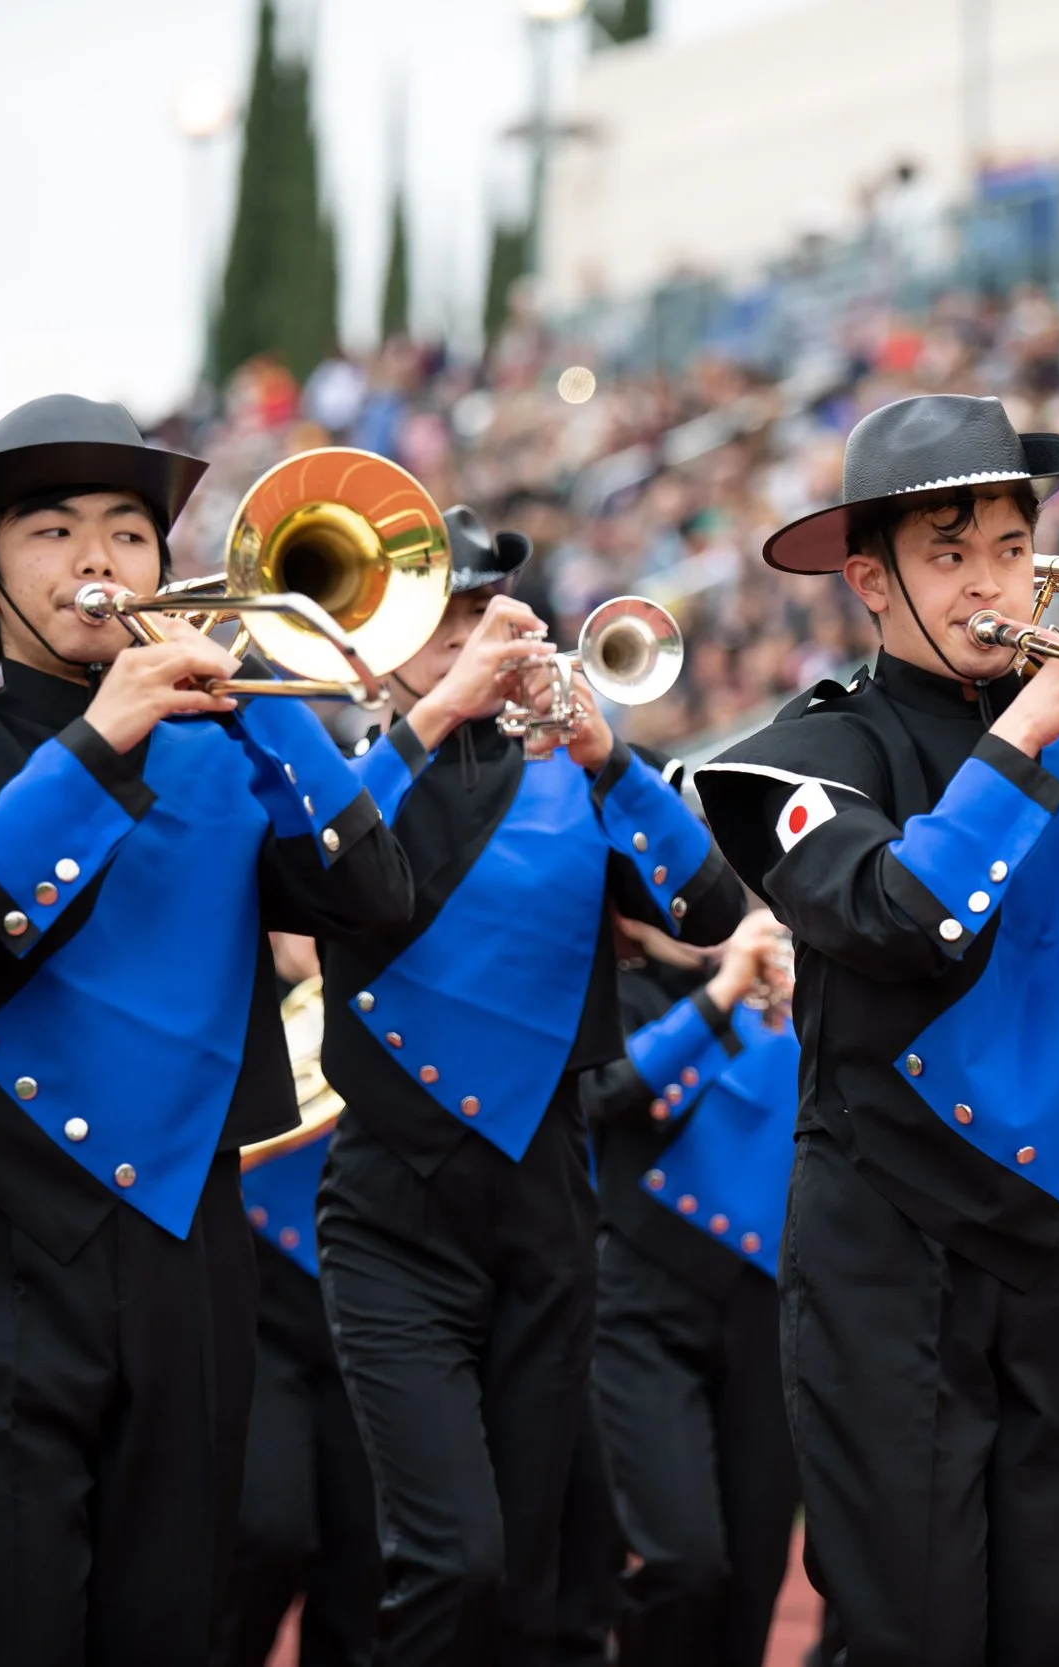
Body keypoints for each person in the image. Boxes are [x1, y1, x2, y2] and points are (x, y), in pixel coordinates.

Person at [0, 394, 416, 1667]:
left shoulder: (234, 751)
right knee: (5, 1627)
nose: (101, 560)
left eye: (130, 533)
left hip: (193, 1251)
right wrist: (101, 736)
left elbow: (375, 899)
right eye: (55, 530)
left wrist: (265, 701)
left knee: (168, 1626)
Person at [694, 393, 1059, 1665]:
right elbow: (901, 918)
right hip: (889, 1239)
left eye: (1011, 546)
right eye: (948, 554)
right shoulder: (804, 752)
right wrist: (1024, 734)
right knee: (911, 1629)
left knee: (1056, 1629)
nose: (991, 582)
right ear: (869, 581)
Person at [313, 507, 744, 1665]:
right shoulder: (348, 774)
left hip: (547, 1201)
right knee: (449, 1557)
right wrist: (436, 715)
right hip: (391, 1206)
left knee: (524, 1579)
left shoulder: (572, 776)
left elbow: (708, 908)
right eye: (439, 622)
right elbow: (321, 870)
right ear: (379, 651)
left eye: (480, 616)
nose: (466, 640)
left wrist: (612, 759)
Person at [586, 903, 802, 1666]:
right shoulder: (617, 988)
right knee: (683, 1560)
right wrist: (724, 991)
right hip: (642, 1301)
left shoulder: (788, 992)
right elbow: (606, 1090)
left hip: (769, 1315)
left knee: (753, 1579)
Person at [212, 937, 379, 1667]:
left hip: (369, 1305)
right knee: (266, 1530)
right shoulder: (235, 991)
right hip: (256, 1302)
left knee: (366, 1563)